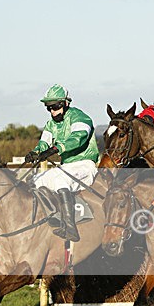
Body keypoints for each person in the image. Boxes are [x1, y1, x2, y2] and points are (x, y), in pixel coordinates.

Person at [25, 84, 99, 242]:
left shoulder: (80, 117)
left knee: (60, 180)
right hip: (65, 167)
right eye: (49, 107)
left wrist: (56, 149)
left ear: (66, 103)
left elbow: (78, 138)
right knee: (34, 180)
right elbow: (44, 142)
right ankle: (52, 218)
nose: (53, 111)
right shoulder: (51, 124)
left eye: (56, 106)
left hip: (85, 164)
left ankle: (70, 227)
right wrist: (36, 152)